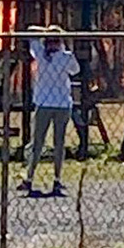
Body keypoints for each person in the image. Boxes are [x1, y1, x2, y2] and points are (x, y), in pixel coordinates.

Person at [17, 25, 80, 195]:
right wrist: (63, 40)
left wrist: (44, 31)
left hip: (44, 103)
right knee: (59, 143)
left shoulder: (40, 52)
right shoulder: (66, 56)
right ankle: (57, 179)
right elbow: (75, 70)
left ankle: (29, 177)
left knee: (37, 142)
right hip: (62, 103)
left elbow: (30, 31)